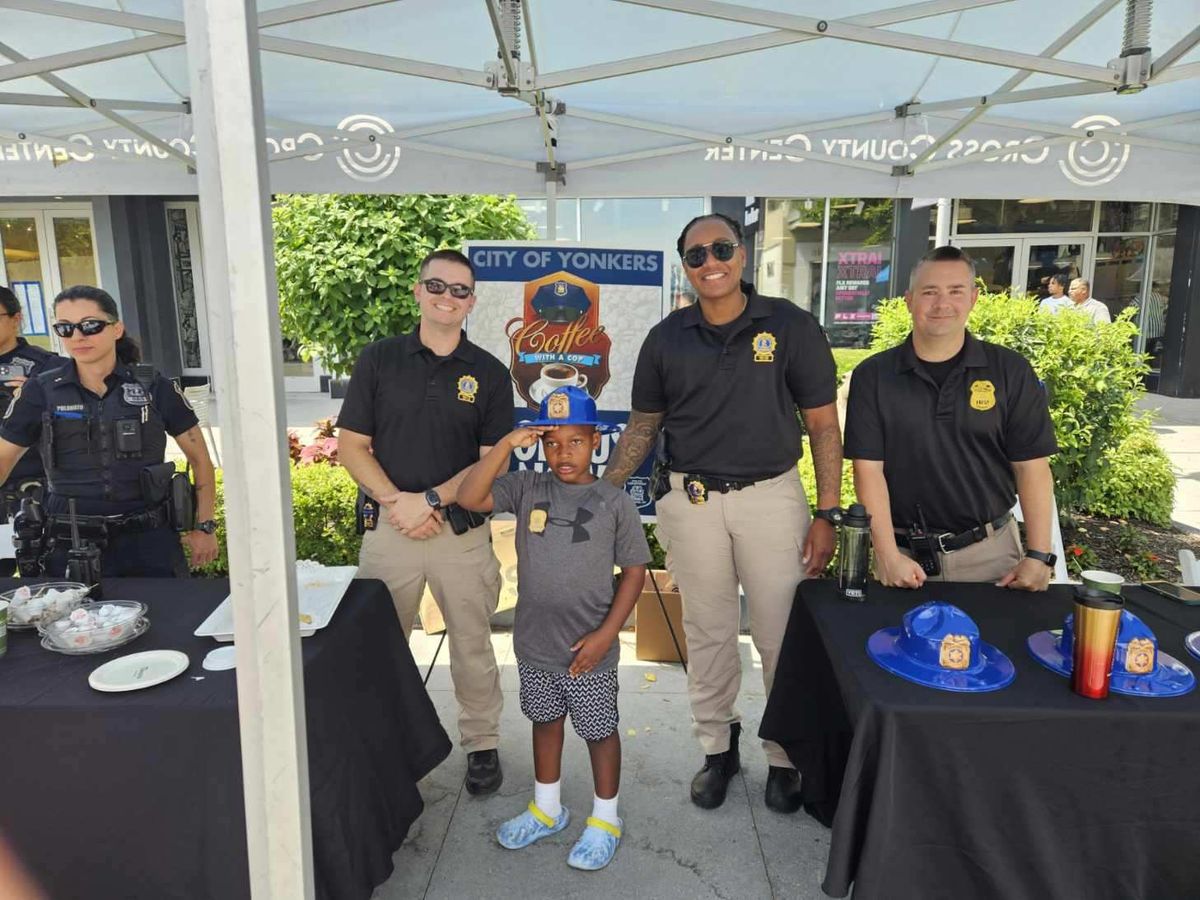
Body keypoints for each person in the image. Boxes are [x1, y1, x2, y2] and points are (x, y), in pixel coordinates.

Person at [603, 212, 843, 814]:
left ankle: (784, 757)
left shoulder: (791, 326)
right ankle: (717, 749)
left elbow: (822, 426)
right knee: (707, 632)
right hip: (692, 502)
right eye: (696, 255)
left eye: (721, 249)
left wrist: (829, 513)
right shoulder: (667, 337)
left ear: (743, 253)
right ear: (684, 265)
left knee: (780, 636)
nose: (710, 263)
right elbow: (642, 428)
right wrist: (603, 490)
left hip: (773, 499)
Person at [337, 248, 512, 795]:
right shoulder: (379, 359)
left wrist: (431, 499)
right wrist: (398, 502)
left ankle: (481, 745)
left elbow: (492, 461)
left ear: (472, 302)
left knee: (473, 649)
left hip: (459, 536)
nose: (447, 298)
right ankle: (381, 747)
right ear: (417, 291)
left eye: (460, 290)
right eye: (437, 286)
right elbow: (351, 446)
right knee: (379, 648)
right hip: (391, 533)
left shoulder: (488, 371)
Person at [458, 386, 650, 871]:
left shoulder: (613, 502)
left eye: (576, 442)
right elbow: (469, 496)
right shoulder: (525, 488)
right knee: (544, 722)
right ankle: (547, 809)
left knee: (598, 730)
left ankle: (606, 818)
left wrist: (608, 634)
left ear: (595, 442)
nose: (564, 453)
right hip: (536, 644)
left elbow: (634, 572)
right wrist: (506, 445)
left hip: (590, 648)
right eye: (552, 443)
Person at [845, 246, 1059, 591]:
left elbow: (1031, 468)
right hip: (903, 561)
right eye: (929, 292)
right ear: (909, 300)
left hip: (991, 558)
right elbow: (868, 471)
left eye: (955, 291)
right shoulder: (874, 376)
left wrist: (1039, 555)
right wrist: (885, 554)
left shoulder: (1010, 371)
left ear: (973, 298)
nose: (942, 304)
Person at [0, 285, 218, 576]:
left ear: (117, 329)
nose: (78, 336)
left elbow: (201, 460)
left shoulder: (155, 386)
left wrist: (204, 526)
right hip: (69, 543)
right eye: (65, 328)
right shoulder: (39, 391)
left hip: (149, 543)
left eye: (90, 325)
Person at [0, 286, 66, 575]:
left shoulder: (48, 366)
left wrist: (33, 397)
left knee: (43, 573)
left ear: (16, 318)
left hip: (34, 485)